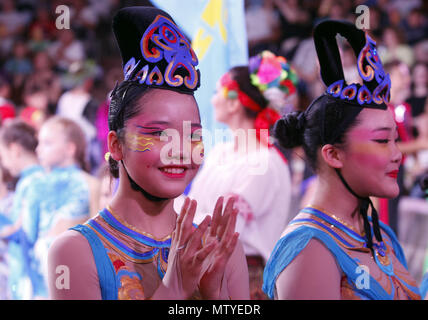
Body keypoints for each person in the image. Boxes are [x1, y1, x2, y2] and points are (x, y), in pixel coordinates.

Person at [47, 6, 249, 300]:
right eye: (159, 134)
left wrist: (216, 296)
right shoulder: (75, 252)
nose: (180, 150)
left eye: (192, 135)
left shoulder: (217, 249)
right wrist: (175, 287)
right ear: (116, 145)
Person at [263, 20, 421, 300]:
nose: (397, 154)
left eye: (396, 140)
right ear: (333, 154)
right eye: (382, 140)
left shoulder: (381, 235)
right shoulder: (310, 248)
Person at [188, 51, 295, 299]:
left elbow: (224, 229)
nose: (213, 99)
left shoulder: (265, 161)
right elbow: (192, 207)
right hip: (202, 268)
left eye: (217, 92)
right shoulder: (220, 152)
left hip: (242, 279)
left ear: (235, 102)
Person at [22, 116, 99, 298]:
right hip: (44, 275)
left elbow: (100, 236)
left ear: (70, 148)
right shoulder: (34, 185)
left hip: (72, 275)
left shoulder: (91, 185)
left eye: (47, 143)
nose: (38, 149)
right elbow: (29, 236)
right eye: (39, 142)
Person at [0, 119, 44, 299]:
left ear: (15, 150)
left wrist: (5, 231)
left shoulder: (31, 182)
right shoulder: (35, 179)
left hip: (30, 273)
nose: (4, 164)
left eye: (2, 156)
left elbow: (26, 231)